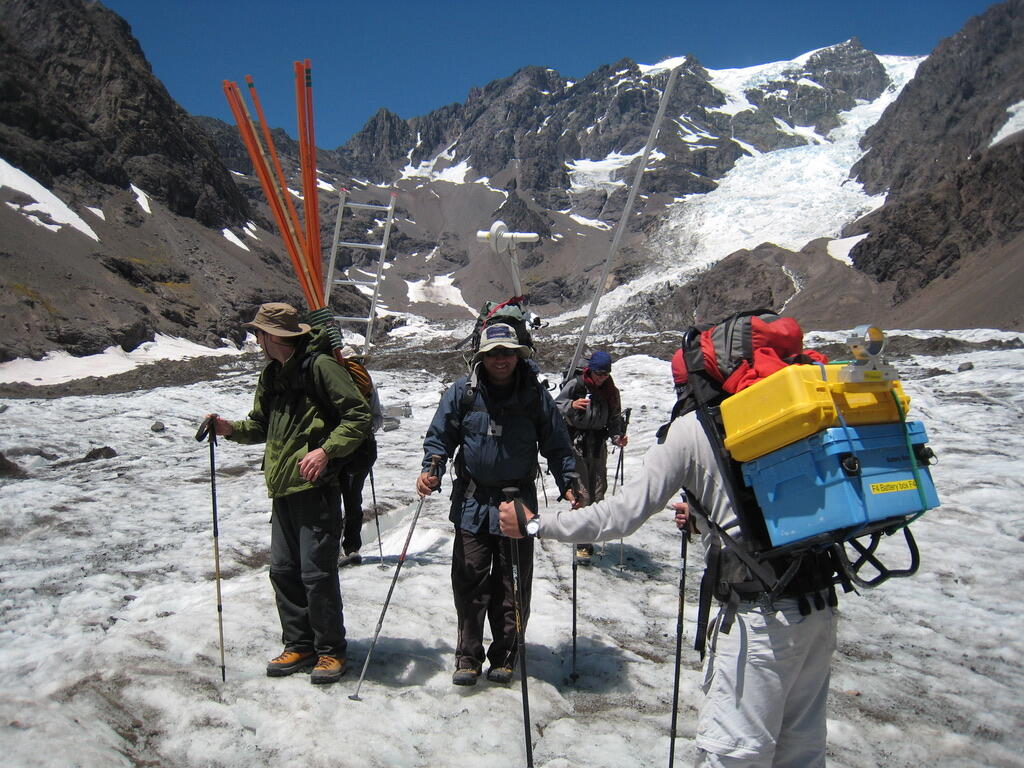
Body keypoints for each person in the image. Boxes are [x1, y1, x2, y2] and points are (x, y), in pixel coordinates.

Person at [497, 408, 838, 767]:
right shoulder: (791, 407)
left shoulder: (694, 427)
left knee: (735, 754)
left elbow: (622, 514)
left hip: (757, 618)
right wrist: (706, 517)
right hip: (818, 600)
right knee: (800, 751)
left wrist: (537, 525)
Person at [209, 302, 372, 685]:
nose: (257, 340)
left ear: (273, 337)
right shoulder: (273, 374)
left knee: (316, 573)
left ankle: (331, 650)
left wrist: (325, 450)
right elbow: (261, 425)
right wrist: (228, 428)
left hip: (316, 487)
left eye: (259, 334)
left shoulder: (320, 367)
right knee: (283, 571)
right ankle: (299, 644)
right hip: (283, 487)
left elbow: (358, 416)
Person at [415, 322, 579, 687]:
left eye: (506, 352)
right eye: (492, 353)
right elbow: (440, 436)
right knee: (469, 580)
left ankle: (505, 653)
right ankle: (468, 656)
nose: (500, 359)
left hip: (518, 504)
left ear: (518, 355)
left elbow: (557, 444)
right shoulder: (464, 393)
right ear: (482, 357)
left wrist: (569, 481)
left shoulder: (536, 397)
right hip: (473, 501)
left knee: (513, 583)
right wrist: (432, 468)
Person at [554, 349, 628, 564]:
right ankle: (582, 541)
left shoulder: (611, 391)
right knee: (582, 493)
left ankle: (589, 535)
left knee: (598, 491)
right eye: (598, 373)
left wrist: (617, 437)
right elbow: (554, 406)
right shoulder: (577, 385)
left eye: (605, 374)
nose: (601, 378)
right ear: (590, 370)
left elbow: (614, 418)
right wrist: (571, 405)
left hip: (598, 445)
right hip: (576, 444)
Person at [338, 345, 384, 567]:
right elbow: (377, 417)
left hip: (337, 451)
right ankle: (352, 547)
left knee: (331, 499)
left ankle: (333, 548)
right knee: (353, 499)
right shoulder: (367, 383)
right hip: (364, 450)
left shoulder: (336, 382)